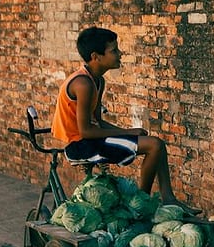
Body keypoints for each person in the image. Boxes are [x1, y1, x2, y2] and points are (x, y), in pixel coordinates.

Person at [51, 26, 197, 213]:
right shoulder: (83, 84)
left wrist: (128, 132)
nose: (120, 54)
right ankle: (142, 203)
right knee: (154, 145)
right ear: (96, 57)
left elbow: (97, 122)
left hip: (91, 139)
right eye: (114, 51)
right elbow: (86, 131)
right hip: (80, 145)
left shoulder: (98, 80)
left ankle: (168, 198)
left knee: (156, 144)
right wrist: (127, 132)